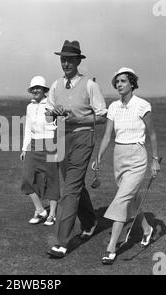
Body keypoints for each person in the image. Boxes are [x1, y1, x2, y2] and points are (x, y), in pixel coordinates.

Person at [45, 40, 107, 258]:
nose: (65, 63)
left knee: (70, 189)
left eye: (69, 59)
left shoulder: (90, 85)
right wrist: (54, 114)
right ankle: (90, 222)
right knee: (74, 184)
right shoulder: (55, 86)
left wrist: (80, 117)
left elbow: (102, 115)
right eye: (63, 59)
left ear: (78, 61)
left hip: (83, 137)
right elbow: (48, 113)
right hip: (61, 137)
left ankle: (61, 242)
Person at [94, 67, 161, 265]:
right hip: (119, 156)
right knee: (130, 198)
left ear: (132, 83)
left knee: (121, 199)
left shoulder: (142, 105)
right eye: (117, 82)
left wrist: (155, 159)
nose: (119, 84)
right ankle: (147, 229)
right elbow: (107, 135)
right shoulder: (113, 107)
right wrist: (98, 157)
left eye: (123, 81)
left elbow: (153, 135)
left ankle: (111, 247)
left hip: (137, 156)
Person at [20, 76, 60, 226]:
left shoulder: (51, 104)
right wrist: (24, 148)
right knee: (26, 178)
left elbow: (60, 124)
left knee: (52, 178)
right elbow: (28, 129)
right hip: (33, 144)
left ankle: (52, 214)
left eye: (39, 88)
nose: (36, 90)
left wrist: (59, 148)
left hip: (51, 143)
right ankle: (40, 210)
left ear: (44, 90)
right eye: (33, 88)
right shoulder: (29, 107)